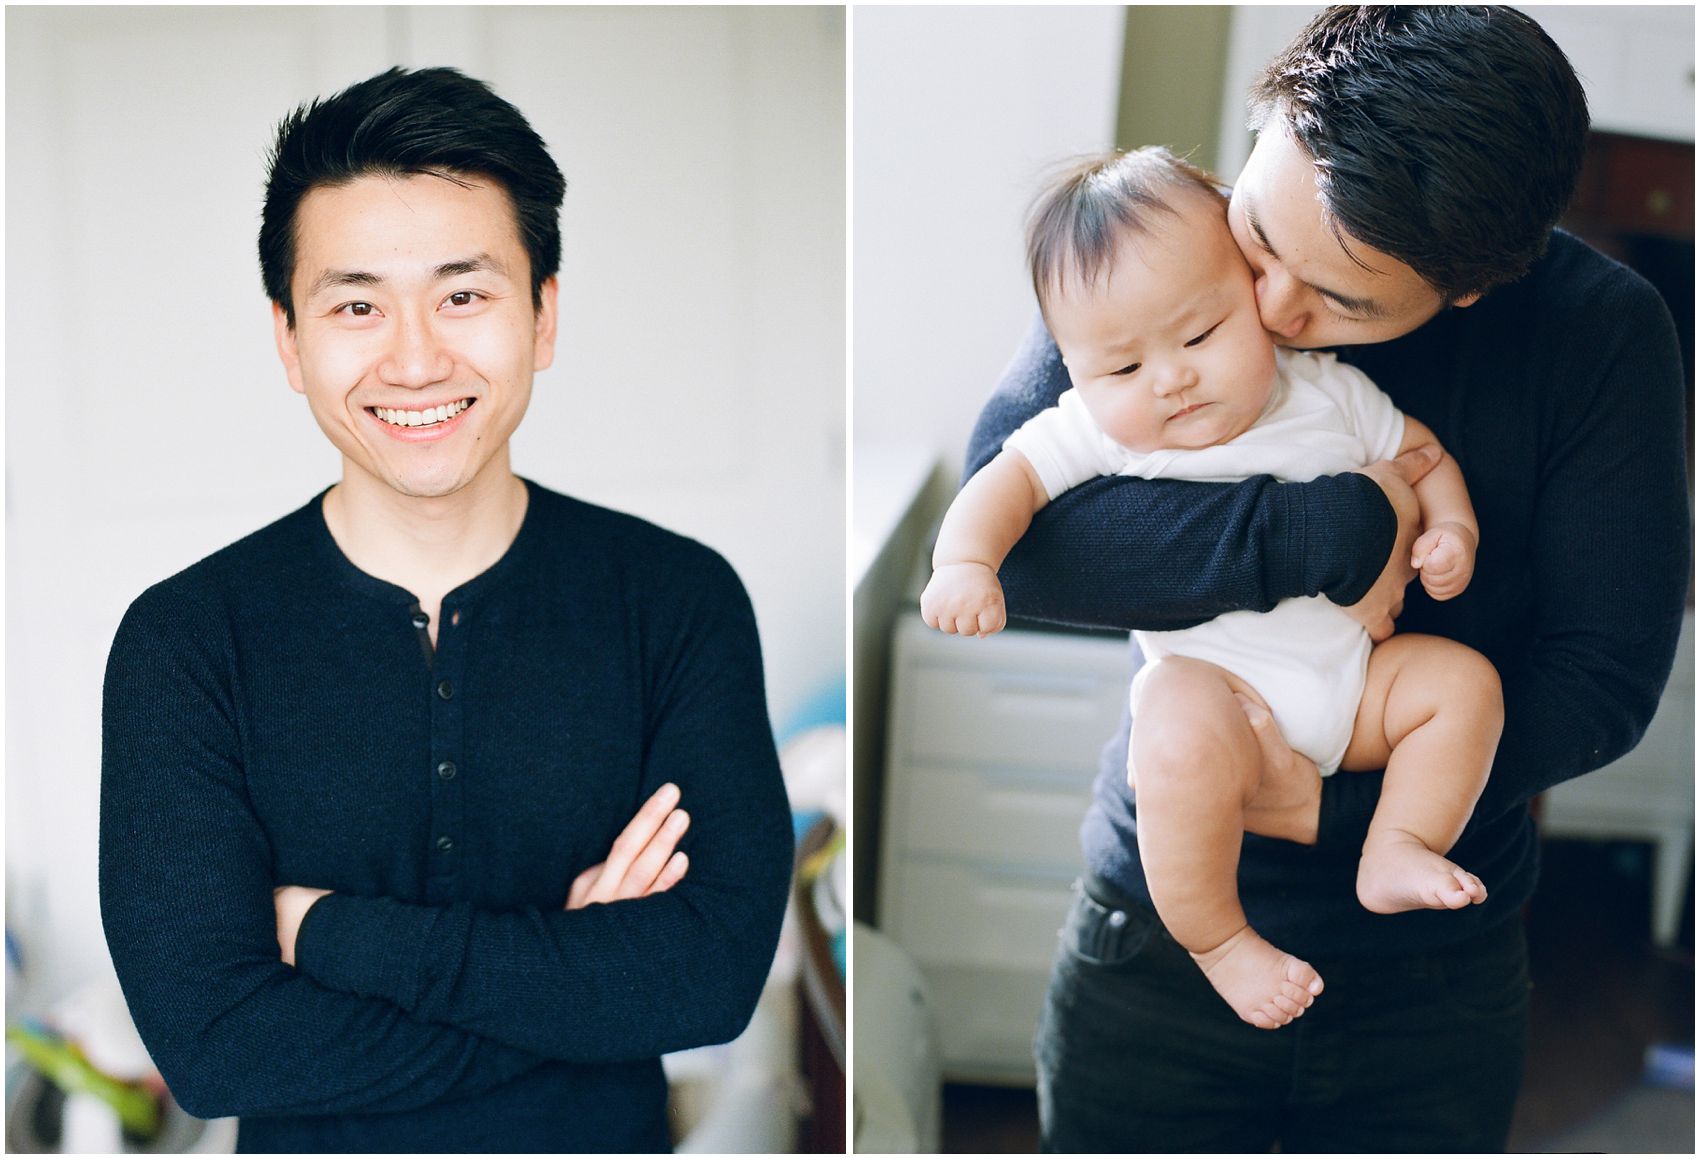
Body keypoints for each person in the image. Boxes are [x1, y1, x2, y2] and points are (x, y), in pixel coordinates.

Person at [961, 8, 1687, 1152]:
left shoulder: (1598, 335)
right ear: (1259, 129)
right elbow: (1026, 543)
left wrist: (1336, 809)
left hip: (1429, 975)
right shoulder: (1163, 240)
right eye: (1260, 236)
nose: (1270, 308)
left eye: (1341, 302)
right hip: (1157, 931)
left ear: (1469, 290)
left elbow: (1602, 677)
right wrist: (1322, 530)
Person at [99, 66, 793, 1154]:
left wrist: (324, 930)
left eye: (462, 293)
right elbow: (213, 1048)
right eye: (357, 303)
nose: (415, 357)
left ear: (542, 313)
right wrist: (575, 972)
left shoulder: (676, 600)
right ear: (288, 337)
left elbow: (707, 982)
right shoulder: (186, 642)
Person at [923, 146, 1501, 1031]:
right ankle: (1220, 941)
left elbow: (1422, 455)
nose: (1171, 377)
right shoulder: (1096, 430)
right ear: (1076, 369)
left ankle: (1396, 842)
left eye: (1200, 336)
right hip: (1219, 694)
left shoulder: (1327, 391)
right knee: (1175, 737)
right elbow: (1006, 482)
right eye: (1122, 368)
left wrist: (1450, 528)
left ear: (1257, 301)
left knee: (1463, 687)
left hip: (1358, 695)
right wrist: (964, 562)